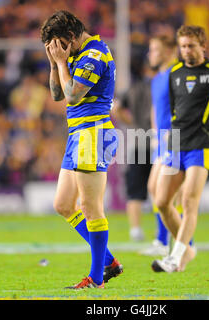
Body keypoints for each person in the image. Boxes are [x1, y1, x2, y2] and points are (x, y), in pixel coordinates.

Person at [152, 25, 209, 273]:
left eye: (191, 46)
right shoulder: (174, 74)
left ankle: (175, 257)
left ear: (203, 46)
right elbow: (174, 113)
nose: (186, 51)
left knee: (190, 202)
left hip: (203, 145)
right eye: (182, 46)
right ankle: (188, 250)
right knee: (162, 201)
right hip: (176, 145)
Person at [40, 10, 122, 289]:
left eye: (60, 44)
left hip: (94, 133)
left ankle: (97, 279)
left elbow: (74, 94)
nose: (58, 50)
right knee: (63, 204)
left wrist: (62, 64)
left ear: (72, 37)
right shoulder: (73, 54)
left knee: (90, 207)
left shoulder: (94, 54)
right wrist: (55, 64)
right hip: (78, 134)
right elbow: (56, 95)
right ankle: (109, 261)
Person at [142, 35, 179, 256]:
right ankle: (163, 241)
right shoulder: (157, 78)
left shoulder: (177, 75)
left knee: (172, 193)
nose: (151, 54)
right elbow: (156, 109)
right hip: (161, 141)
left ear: (168, 50)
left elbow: (183, 106)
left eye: (155, 49)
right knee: (155, 189)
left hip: (175, 138)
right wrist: (155, 133)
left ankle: (182, 242)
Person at [111, 63, 154, 242]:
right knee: (165, 190)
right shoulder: (163, 85)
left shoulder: (133, 88)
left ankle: (135, 229)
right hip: (163, 141)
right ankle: (165, 233)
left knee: (135, 190)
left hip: (139, 140)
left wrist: (132, 122)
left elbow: (115, 108)